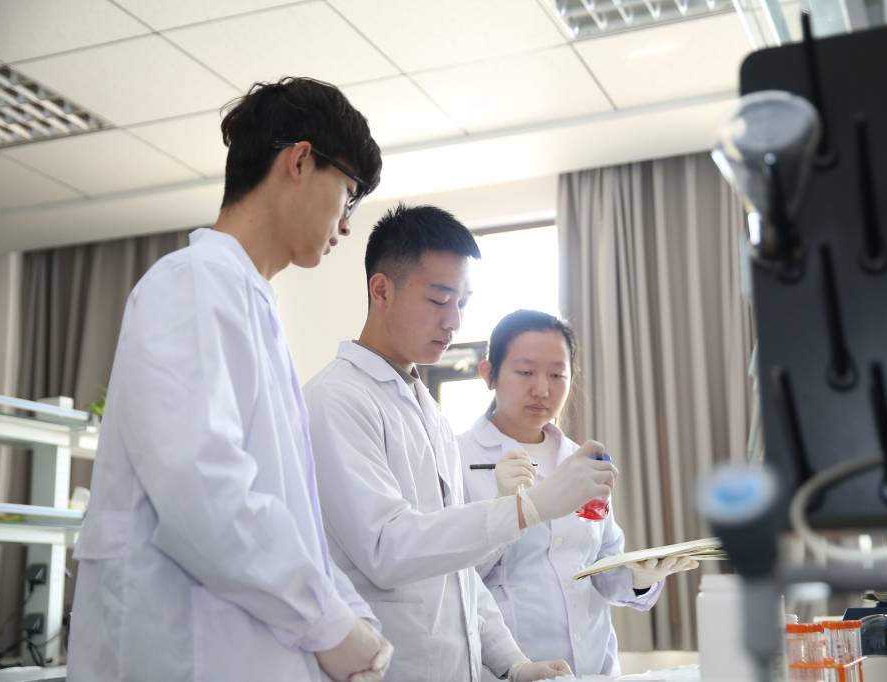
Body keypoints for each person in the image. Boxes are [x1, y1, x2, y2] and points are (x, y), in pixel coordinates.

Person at [67, 77, 393, 682]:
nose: (347, 225)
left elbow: (290, 519)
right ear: (300, 160)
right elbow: (204, 494)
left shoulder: (251, 306)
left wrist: (350, 616)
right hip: (184, 657)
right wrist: (329, 624)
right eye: (348, 194)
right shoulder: (191, 284)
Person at [302, 204, 619, 681]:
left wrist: (513, 663)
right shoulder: (336, 400)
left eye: (463, 303)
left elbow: (459, 575)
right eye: (438, 300)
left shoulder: (426, 410)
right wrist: (526, 508)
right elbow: (387, 549)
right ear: (381, 290)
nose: (453, 321)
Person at [457, 309, 699, 678]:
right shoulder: (457, 458)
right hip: (508, 670)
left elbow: (599, 561)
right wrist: (506, 512)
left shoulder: (583, 460)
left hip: (595, 669)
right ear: (489, 374)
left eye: (557, 374)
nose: (542, 389)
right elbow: (456, 578)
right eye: (525, 372)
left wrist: (638, 579)